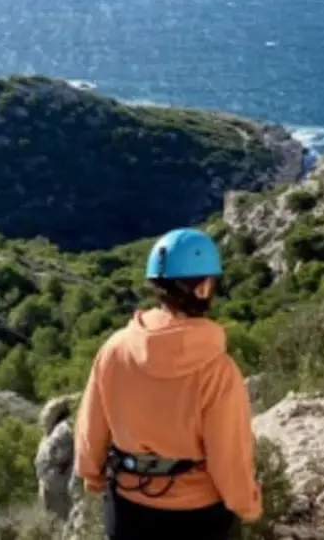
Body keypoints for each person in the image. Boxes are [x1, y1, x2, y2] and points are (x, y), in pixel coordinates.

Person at [74, 228, 262, 539]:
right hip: (197, 516)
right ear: (204, 287)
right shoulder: (217, 370)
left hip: (128, 508)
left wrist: (91, 474)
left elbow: (92, 424)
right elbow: (228, 456)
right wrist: (247, 504)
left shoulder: (116, 349)